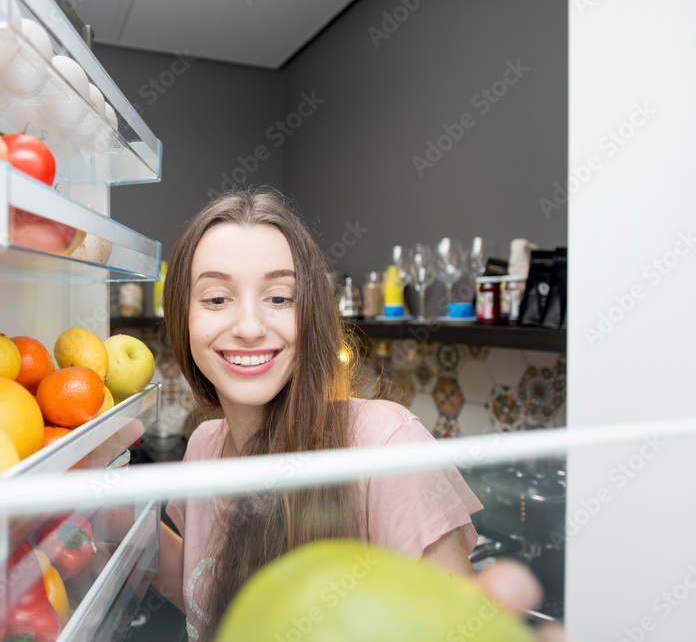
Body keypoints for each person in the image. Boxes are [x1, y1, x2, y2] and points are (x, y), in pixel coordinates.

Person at [149, 188, 562, 641]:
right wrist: (109, 516)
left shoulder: (385, 447)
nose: (249, 328)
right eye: (216, 298)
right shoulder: (203, 447)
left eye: (280, 298)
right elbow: (208, 604)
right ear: (181, 317)